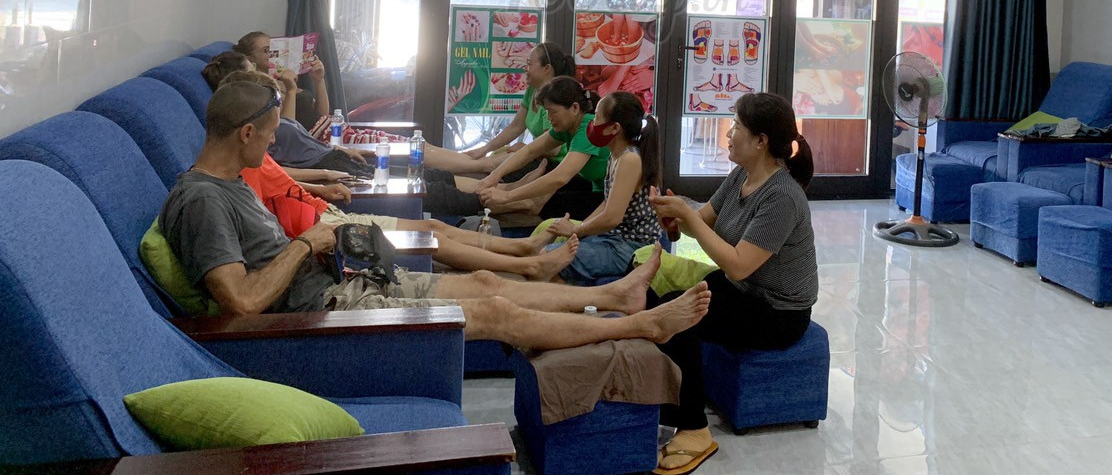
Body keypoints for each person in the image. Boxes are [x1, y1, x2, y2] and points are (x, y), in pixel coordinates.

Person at [159, 80, 711, 353]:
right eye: (270, 135)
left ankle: (616, 295)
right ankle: (640, 325)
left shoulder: (232, 181)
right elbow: (242, 302)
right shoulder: (203, 200)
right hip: (328, 309)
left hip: (345, 277)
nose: (274, 147)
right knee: (496, 313)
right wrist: (308, 244)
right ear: (245, 133)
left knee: (487, 282)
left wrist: (326, 239)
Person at [220, 69, 581, 281]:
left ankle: (522, 245)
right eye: (270, 132)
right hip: (325, 226)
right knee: (432, 233)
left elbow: (280, 179)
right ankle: (526, 257)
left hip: (328, 205)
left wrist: (320, 184)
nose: (273, 138)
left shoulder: (252, 157)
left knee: (433, 219)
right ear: (247, 130)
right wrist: (324, 180)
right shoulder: (237, 173)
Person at [647, 93, 818, 475]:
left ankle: (694, 430)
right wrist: (675, 220)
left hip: (777, 312)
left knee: (680, 319)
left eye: (736, 126)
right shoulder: (741, 174)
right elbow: (703, 219)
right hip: (743, 290)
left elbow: (739, 265)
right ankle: (667, 402)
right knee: (659, 299)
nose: (728, 133)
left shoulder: (783, 196)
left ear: (760, 140)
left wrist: (689, 220)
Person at [543, 91, 662, 284]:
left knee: (549, 259)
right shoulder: (615, 154)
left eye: (597, 118)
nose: (592, 123)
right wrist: (578, 230)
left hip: (631, 247)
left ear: (614, 128)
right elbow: (608, 203)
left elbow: (612, 217)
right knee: (550, 252)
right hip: (616, 238)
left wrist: (577, 230)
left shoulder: (630, 159)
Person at [204, 51, 371, 177]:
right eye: (251, 70)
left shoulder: (268, 107)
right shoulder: (255, 127)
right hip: (324, 161)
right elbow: (273, 169)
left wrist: (339, 150)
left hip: (329, 152)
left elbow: (288, 129)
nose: (257, 72)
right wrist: (325, 174)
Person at [420, 41, 575, 176]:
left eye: (529, 64)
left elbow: (553, 149)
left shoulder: (555, 99)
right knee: (476, 159)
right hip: (534, 156)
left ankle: (425, 156)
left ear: (547, 68)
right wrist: (485, 148)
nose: (525, 68)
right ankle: (425, 149)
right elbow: (515, 127)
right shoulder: (532, 90)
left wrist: (526, 148)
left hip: (549, 164)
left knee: (482, 165)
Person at [474, 76, 610, 220]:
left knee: (553, 201)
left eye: (552, 111)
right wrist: (495, 175)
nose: (549, 117)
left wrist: (507, 196)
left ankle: (528, 204)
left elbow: (560, 177)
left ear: (575, 108)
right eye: (546, 112)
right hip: (595, 186)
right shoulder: (567, 126)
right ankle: (527, 203)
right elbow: (530, 150)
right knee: (544, 182)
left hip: (607, 197)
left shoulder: (587, 129)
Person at [236, 31, 329, 128]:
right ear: (250, 59)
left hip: (316, 133)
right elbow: (284, 130)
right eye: (267, 50)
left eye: (274, 47)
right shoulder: (259, 90)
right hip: (296, 136)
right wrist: (290, 91)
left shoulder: (283, 79)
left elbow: (322, 117)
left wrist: (319, 81)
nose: (274, 53)